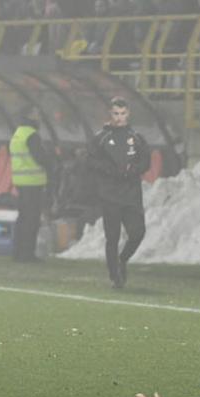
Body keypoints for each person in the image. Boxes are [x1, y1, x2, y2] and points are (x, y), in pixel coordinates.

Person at [87, 96, 150, 288]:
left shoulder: (137, 137)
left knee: (138, 232)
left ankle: (122, 259)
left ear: (128, 113)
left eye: (123, 113)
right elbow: (90, 160)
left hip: (131, 194)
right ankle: (115, 276)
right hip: (110, 195)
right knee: (112, 237)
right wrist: (109, 170)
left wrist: (134, 170)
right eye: (116, 113)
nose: (120, 117)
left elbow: (146, 162)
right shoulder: (100, 138)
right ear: (110, 114)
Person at [10, 105, 54, 262]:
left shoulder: (18, 133)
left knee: (23, 218)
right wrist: (51, 162)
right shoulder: (32, 135)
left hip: (21, 182)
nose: (39, 116)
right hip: (33, 183)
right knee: (32, 219)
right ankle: (27, 254)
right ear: (29, 115)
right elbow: (40, 158)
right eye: (36, 113)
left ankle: (18, 252)